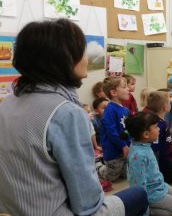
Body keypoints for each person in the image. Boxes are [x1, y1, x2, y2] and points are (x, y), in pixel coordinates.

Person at [0, 19, 148, 215]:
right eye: (82, 51)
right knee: (140, 194)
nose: (87, 58)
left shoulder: (8, 103)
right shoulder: (65, 113)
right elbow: (88, 205)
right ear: (64, 58)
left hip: (16, 208)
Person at [125, 112, 172, 215]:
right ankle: (150, 211)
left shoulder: (144, 143)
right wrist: (144, 211)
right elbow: (138, 187)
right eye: (156, 127)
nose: (159, 129)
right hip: (150, 192)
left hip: (158, 184)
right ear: (146, 134)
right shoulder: (138, 156)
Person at [97, 76, 131, 182]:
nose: (128, 89)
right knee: (111, 177)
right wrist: (123, 146)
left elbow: (127, 129)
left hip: (125, 149)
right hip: (114, 151)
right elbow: (111, 132)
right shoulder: (110, 110)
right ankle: (97, 166)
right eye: (124, 87)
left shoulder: (125, 110)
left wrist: (129, 144)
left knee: (126, 175)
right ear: (114, 92)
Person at [147, 91, 172, 183]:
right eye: (169, 102)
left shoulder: (161, 121)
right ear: (165, 107)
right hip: (164, 162)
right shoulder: (157, 125)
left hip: (168, 153)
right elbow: (155, 149)